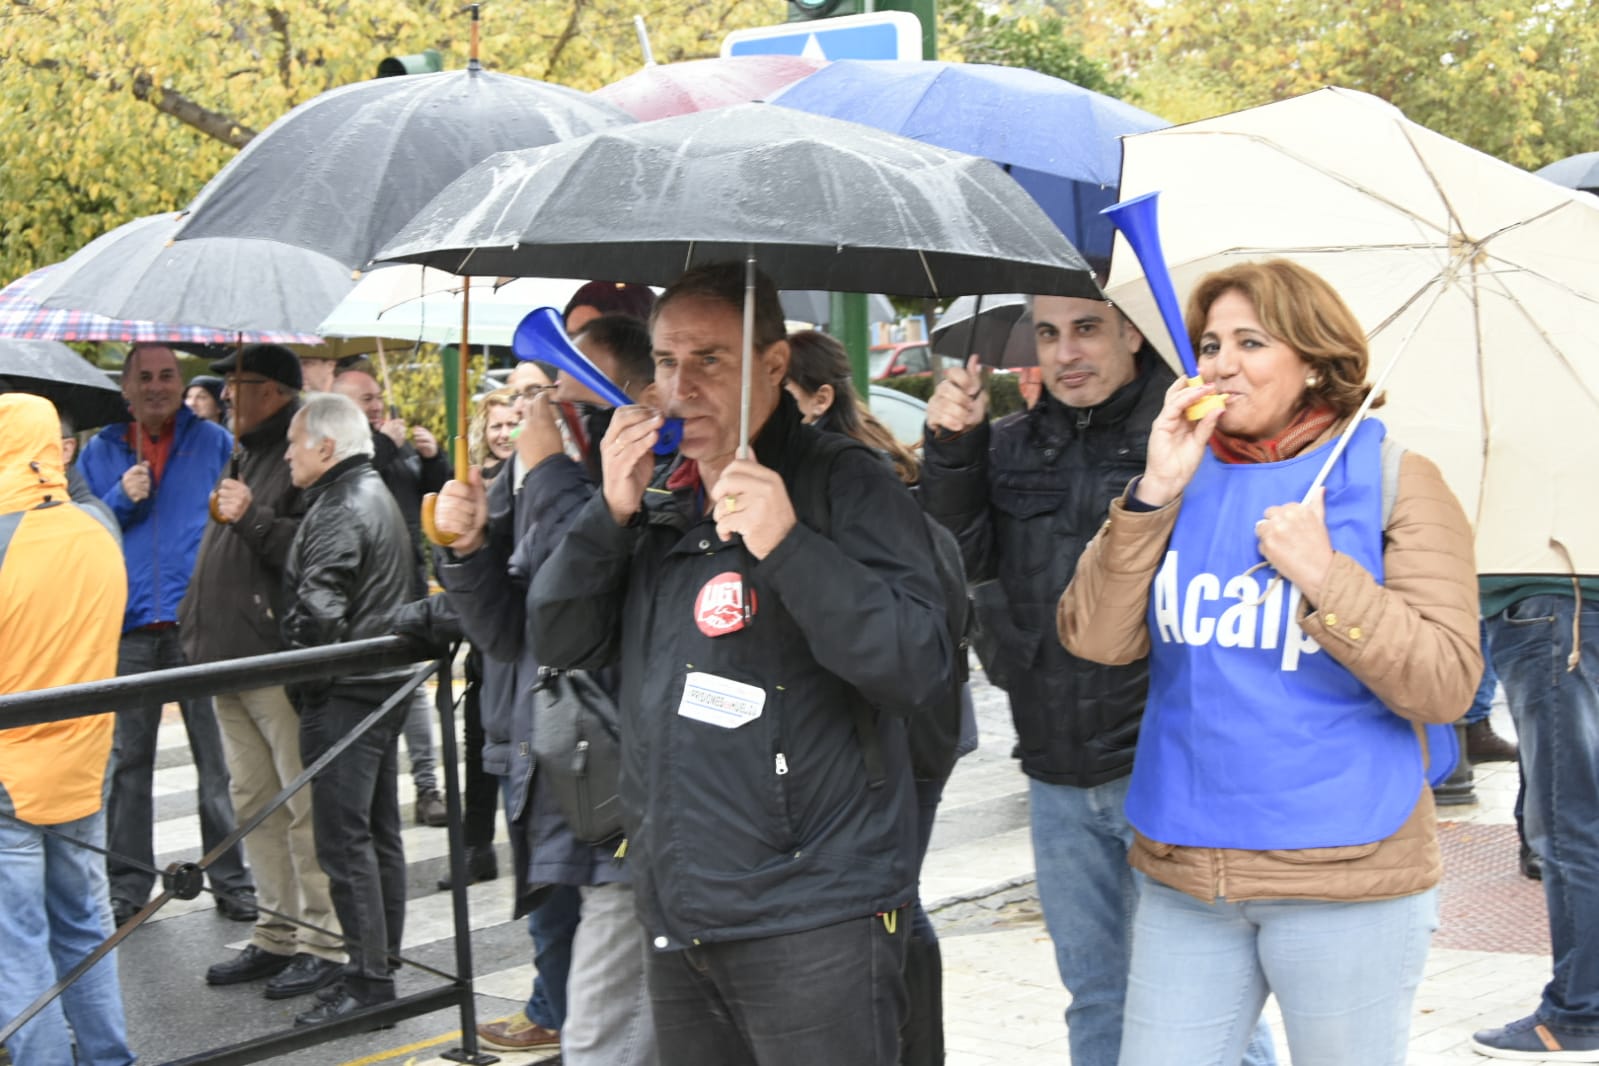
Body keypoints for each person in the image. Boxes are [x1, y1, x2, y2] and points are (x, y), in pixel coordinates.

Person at [1058, 260, 1481, 1065]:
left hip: (1343, 873)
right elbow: (1093, 638)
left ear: (1315, 361)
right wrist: (1152, 492)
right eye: (1210, 342)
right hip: (1187, 868)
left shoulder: (1396, 481)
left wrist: (1324, 576)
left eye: (1250, 342)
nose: (1219, 363)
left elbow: (1445, 682)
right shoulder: (1179, 475)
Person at [530, 263, 952, 1066]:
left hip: (814, 912)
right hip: (681, 900)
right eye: (663, 362)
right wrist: (607, 512)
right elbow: (557, 641)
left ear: (772, 367)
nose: (679, 385)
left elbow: (915, 666)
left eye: (709, 360)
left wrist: (789, 546)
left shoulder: (844, 483)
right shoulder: (659, 496)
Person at [919, 292, 1235, 1066]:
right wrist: (951, 450)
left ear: (1132, 331)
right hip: (1054, 769)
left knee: (1205, 1007)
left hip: (1166, 765)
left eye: (1087, 329)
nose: (1065, 353)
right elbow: (955, 565)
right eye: (1048, 334)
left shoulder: (1187, 433)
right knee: (1095, 994)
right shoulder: (1004, 445)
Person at [433, 314, 660, 1060]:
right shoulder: (544, 482)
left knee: (600, 1022)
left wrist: (548, 470)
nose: (551, 413)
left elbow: (583, 596)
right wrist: (467, 549)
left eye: (572, 396)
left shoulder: (626, 478)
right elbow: (510, 632)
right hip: (550, 770)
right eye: (547, 394)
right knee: (577, 992)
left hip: (610, 777)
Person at [786, 328, 974, 1066]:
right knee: (895, 899)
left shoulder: (857, 475)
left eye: (779, 390)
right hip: (902, 721)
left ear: (818, 397)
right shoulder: (832, 467)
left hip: (911, 724)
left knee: (893, 901)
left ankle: (914, 1044)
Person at [179, 344, 346, 1000]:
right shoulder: (244, 447)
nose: (225, 395)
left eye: (237, 383)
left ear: (273, 391)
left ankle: (323, 941)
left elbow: (309, 552)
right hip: (229, 655)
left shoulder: (300, 448)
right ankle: (278, 934)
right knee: (255, 804)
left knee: (298, 804)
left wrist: (251, 515)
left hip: (273, 652)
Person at [77, 343, 256, 928]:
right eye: (145, 377)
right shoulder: (100, 450)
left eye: (168, 375)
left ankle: (232, 880)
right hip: (127, 627)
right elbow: (81, 534)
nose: (158, 386)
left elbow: (238, 515)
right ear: (125, 388)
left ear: (181, 384)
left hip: (198, 622)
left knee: (217, 760)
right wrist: (116, 499)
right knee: (129, 764)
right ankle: (129, 887)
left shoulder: (214, 443)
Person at [0, 393, 135, 1066]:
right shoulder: (98, 524)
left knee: (18, 941)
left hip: (9, 773)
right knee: (85, 922)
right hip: (84, 759)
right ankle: (110, 1057)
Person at [280, 391, 416, 1026]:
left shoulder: (339, 504)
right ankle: (379, 968)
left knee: (344, 840)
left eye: (294, 442)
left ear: (326, 447)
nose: (286, 454)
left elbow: (321, 610)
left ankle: (368, 982)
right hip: (378, 685)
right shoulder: (371, 491)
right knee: (375, 834)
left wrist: (307, 684)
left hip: (346, 691)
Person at [1472, 592, 1599, 1052]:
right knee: (1575, 816)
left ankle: (1580, 1013)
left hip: (1553, 601)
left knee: (1570, 821)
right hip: (1564, 603)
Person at [332, 365, 448, 827]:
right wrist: (387, 445)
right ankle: (376, 798)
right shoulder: (353, 449)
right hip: (363, 600)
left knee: (412, 690)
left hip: (406, 589)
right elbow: (358, 474)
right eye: (365, 399)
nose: (377, 405)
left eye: (377, 396)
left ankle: (428, 787)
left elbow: (434, 493)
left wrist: (433, 457)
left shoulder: (395, 446)